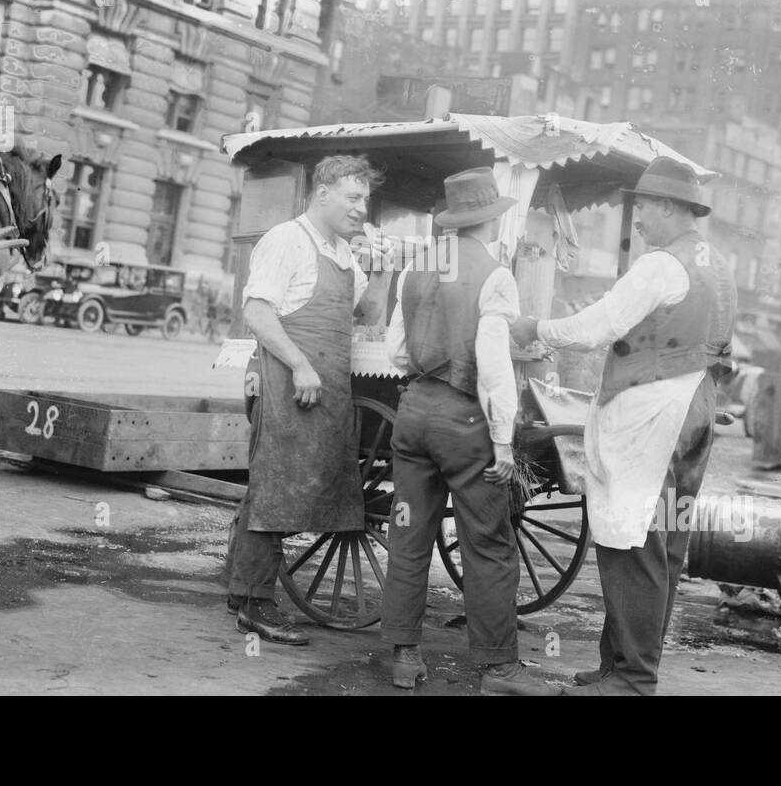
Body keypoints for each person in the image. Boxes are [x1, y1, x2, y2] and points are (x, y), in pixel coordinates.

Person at [511, 156, 737, 695]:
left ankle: (632, 679)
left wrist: (535, 327)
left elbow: (598, 327)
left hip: (653, 406)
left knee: (632, 540)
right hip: (696, 401)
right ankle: (618, 665)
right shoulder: (718, 263)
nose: (638, 222)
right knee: (665, 541)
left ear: (668, 207)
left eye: (644, 209)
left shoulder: (662, 265)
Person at [381, 167, 557, 696]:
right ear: (492, 222)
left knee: (408, 537)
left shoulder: (416, 268)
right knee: (488, 543)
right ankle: (497, 670)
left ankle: (404, 658)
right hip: (464, 422)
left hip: (412, 415)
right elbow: (495, 367)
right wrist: (502, 440)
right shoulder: (494, 274)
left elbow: (395, 350)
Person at [223, 154, 389, 645]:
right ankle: (256, 606)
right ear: (323, 192)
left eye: (366, 200)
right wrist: (298, 364)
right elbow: (255, 311)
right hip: (289, 386)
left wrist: (379, 266)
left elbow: (372, 311)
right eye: (353, 197)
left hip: (324, 390)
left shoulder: (341, 252)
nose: (361, 209)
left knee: (287, 490)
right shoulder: (286, 240)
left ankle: (241, 589)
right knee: (277, 492)